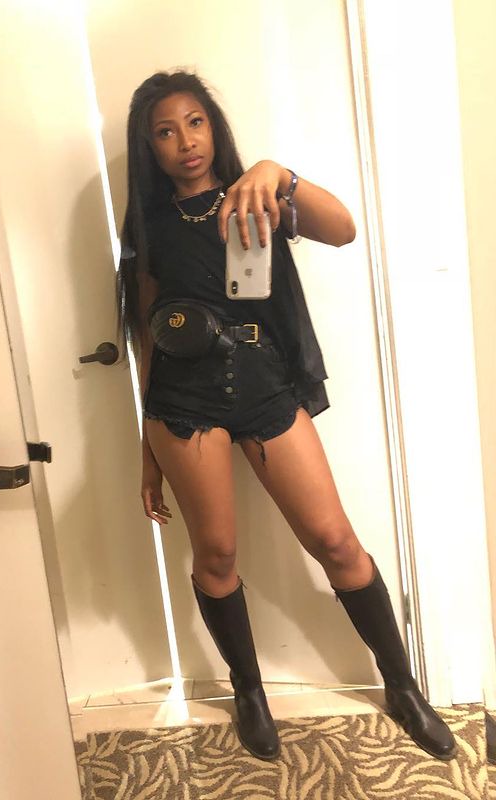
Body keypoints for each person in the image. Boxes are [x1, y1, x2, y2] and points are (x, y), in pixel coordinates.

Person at [116, 69, 456, 763]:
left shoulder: (258, 196)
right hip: (182, 401)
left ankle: (402, 687)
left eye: (195, 122)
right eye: (165, 131)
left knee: (335, 541)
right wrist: (147, 449)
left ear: (214, 127)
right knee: (216, 553)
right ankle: (250, 692)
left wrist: (279, 173)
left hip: (266, 386)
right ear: (149, 148)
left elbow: (344, 230)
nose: (185, 141)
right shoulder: (149, 226)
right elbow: (147, 335)